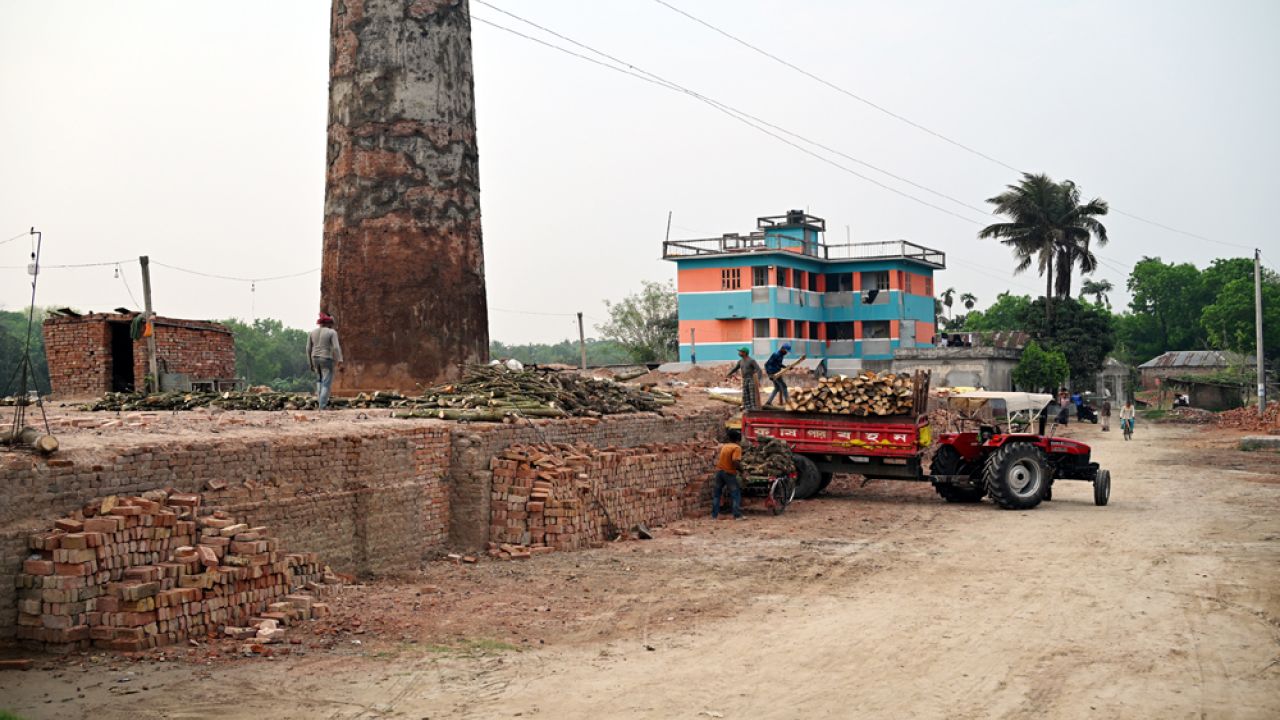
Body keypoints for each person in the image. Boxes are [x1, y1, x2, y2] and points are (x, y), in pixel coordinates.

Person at [307, 312, 343, 410]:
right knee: (326, 383)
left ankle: (320, 403)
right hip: (326, 358)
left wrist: (310, 363)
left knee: (319, 380)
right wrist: (340, 359)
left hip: (315, 358)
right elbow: (336, 347)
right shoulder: (332, 332)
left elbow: (308, 349)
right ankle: (322, 406)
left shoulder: (312, 332)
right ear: (329, 323)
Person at [712, 428, 744, 520]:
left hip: (719, 472)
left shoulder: (725, 446)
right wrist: (742, 471)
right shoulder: (737, 448)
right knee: (735, 493)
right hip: (729, 473)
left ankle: (714, 515)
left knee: (717, 494)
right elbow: (735, 462)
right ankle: (737, 515)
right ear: (738, 439)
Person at [725, 347, 763, 412]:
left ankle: (753, 408)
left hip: (751, 379)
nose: (739, 353)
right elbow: (735, 368)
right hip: (745, 379)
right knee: (745, 394)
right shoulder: (740, 361)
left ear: (745, 353)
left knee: (752, 394)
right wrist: (729, 374)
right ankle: (747, 407)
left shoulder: (751, 361)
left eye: (740, 352)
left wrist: (758, 380)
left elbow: (759, 370)